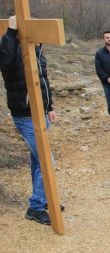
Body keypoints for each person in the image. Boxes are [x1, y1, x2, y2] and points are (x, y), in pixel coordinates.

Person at [0, 15, 63, 225]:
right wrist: (10, 31)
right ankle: (35, 207)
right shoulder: (15, 52)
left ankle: (43, 198)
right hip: (25, 116)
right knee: (47, 161)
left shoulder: (38, 53)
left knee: (38, 160)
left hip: (40, 113)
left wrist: (49, 107)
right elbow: (5, 60)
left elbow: (44, 82)